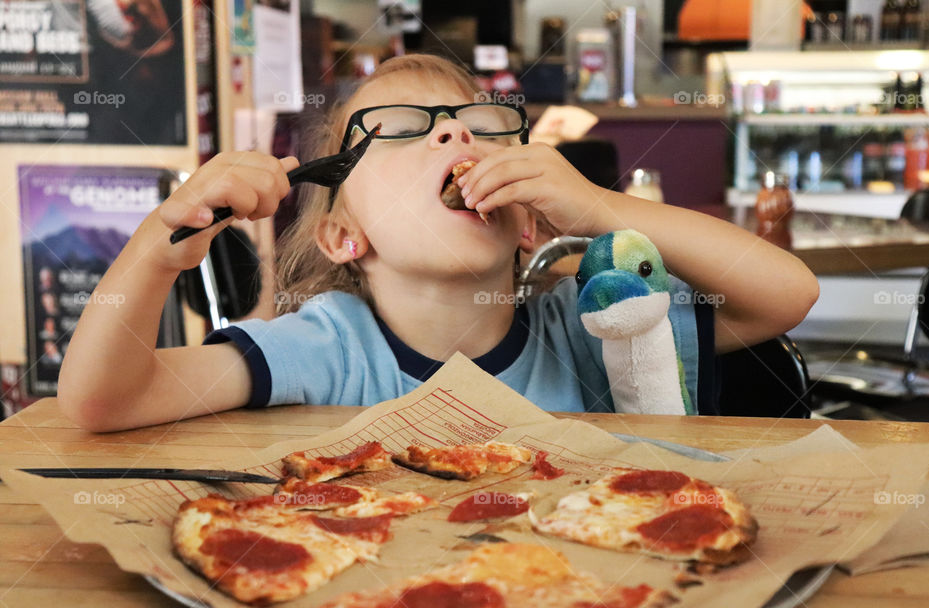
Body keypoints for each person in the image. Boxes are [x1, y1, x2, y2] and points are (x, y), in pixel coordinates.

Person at [58, 54, 819, 432]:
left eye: (479, 129)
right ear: (342, 235)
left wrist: (595, 207)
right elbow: (101, 398)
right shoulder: (327, 348)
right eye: (400, 131)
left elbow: (790, 292)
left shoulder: (591, 331)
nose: (455, 133)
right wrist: (162, 243)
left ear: (527, 226)